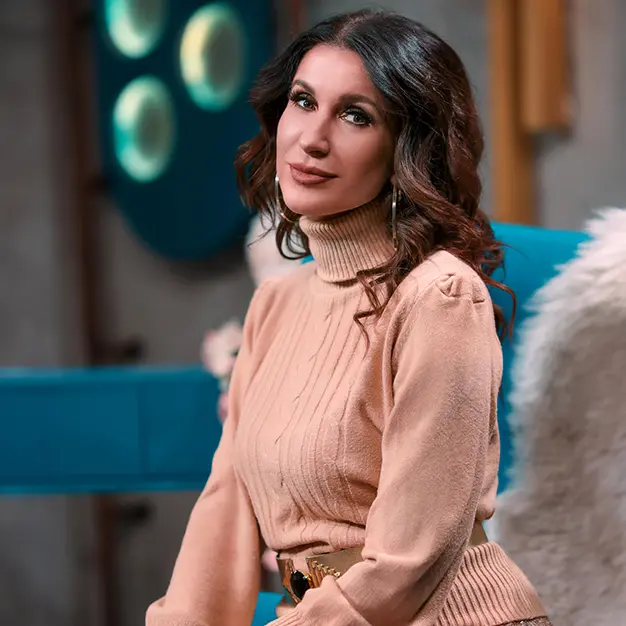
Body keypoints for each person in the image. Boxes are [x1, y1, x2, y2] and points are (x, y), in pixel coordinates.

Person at [146, 9, 551, 626]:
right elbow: (225, 506)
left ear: (406, 149)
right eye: (303, 101)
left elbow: (409, 560)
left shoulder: (439, 298)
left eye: (356, 116)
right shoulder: (275, 304)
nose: (312, 138)